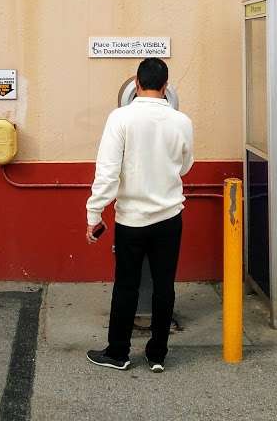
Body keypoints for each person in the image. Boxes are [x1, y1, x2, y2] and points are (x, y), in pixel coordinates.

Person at [84, 58, 194, 373]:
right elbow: (185, 166)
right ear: (166, 86)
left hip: (130, 220)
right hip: (170, 217)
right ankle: (158, 354)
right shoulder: (182, 121)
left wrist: (94, 214)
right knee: (164, 285)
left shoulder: (120, 118)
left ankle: (118, 352)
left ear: (136, 84)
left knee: (126, 285)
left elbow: (107, 172)